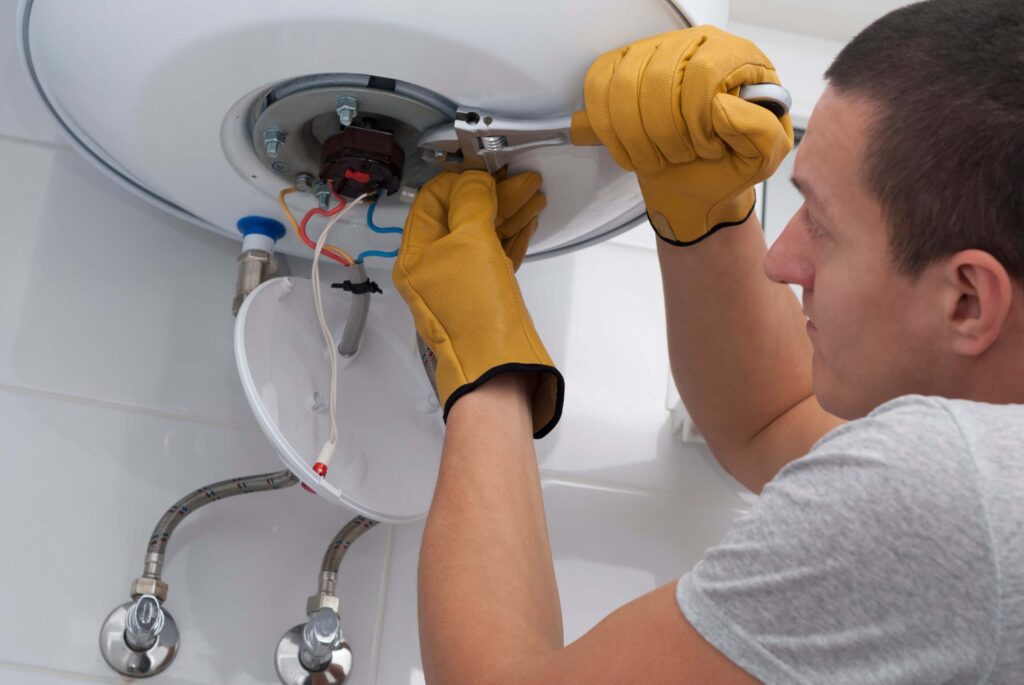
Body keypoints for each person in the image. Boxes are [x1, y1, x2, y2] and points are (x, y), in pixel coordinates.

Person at [391, 0, 1024, 681]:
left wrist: (484, 366)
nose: (781, 260)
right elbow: (770, 417)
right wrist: (705, 209)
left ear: (968, 299)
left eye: (823, 225)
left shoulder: (962, 493)